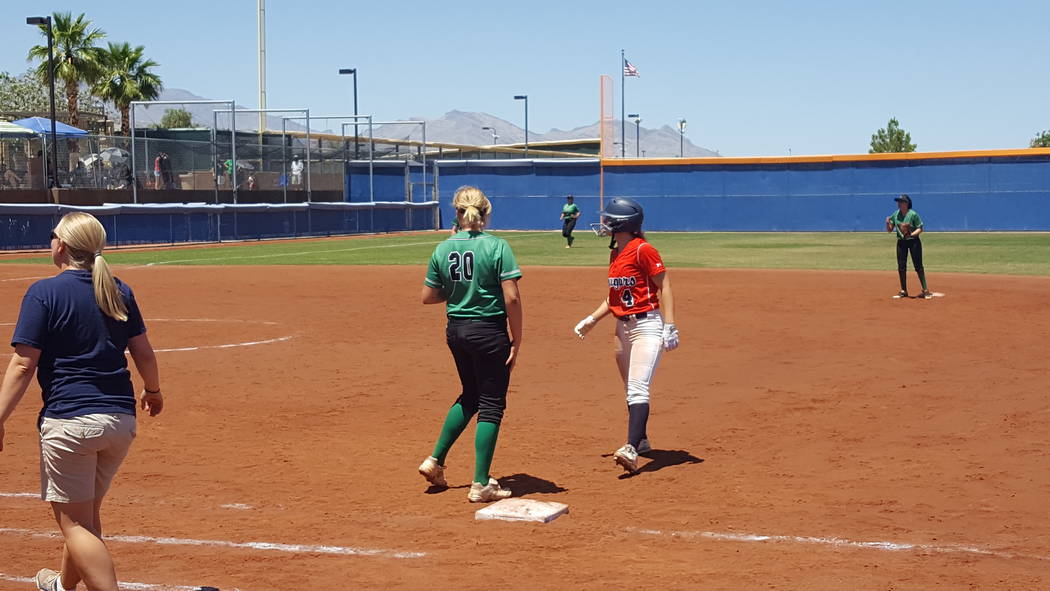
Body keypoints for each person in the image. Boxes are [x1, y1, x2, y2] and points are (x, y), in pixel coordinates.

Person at [0, 212, 163, 591]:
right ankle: (61, 585)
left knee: (75, 525)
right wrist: (153, 391)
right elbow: (144, 353)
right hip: (119, 421)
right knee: (85, 517)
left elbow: (24, 364)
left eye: (53, 236)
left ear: (63, 246)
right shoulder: (119, 289)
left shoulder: (45, 292)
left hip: (72, 422)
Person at [418, 186, 524, 503]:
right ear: (485, 211)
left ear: (456, 213)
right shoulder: (497, 246)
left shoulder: (442, 248)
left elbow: (428, 297)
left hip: (457, 332)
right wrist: (517, 339)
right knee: (491, 403)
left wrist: (460, 292)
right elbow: (512, 298)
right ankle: (481, 484)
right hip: (489, 332)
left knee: (471, 395)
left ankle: (435, 460)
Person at [573, 197, 679, 474]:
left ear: (623, 223)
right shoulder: (615, 252)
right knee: (630, 388)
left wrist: (670, 325)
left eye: (608, 219)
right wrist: (592, 319)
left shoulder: (644, 250)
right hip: (622, 328)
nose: (604, 223)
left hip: (647, 326)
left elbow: (664, 286)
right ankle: (641, 440)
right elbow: (614, 297)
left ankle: (630, 449)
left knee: (637, 388)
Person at [885, 193, 931, 299]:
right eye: (898, 202)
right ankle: (903, 290)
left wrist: (911, 234)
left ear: (907, 203)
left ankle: (925, 290)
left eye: (901, 202)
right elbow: (890, 230)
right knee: (901, 266)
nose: (899, 204)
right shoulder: (896, 214)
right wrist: (888, 223)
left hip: (914, 242)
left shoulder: (913, 214)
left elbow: (920, 228)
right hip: (901, 242)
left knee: (918, 266)